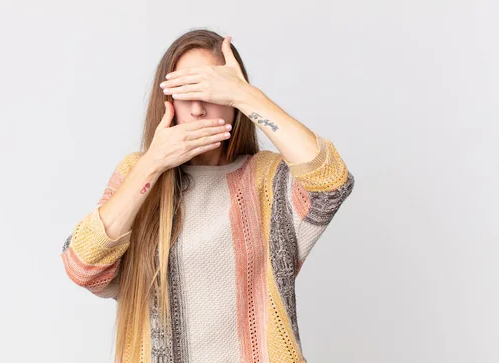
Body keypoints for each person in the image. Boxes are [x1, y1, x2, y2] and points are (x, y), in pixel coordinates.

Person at [60, 28, 355, 363]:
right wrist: (152, 164)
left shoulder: (267, 180)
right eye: (185, 91)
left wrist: (247, 96)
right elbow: (83, 267)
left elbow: (332, 180)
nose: (197, 109)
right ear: (167, 102)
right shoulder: (138, 174)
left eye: (211, 91)